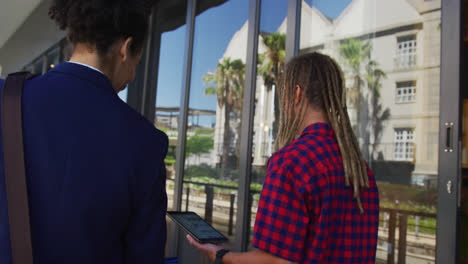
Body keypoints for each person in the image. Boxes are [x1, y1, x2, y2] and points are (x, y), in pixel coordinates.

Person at [0, 0, 168, 263]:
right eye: (138, 60)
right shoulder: (147, 142)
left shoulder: (5, 97)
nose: (133, 75)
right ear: (125, 49)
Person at [187, 52, 380, 263]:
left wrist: (220, 255)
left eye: (283, 96)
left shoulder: (290, 162)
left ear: (296, 94)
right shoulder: (361, 170)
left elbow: (275, 260)